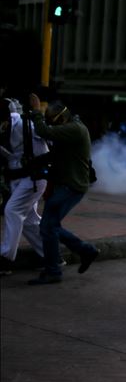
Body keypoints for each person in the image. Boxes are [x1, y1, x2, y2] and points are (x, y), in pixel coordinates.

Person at [25, 94, 99, 285]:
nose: (52, 124)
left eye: (53, 121)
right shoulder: (70, 129)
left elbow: (43, 131)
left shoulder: (75, 129)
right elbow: (55, 156)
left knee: (48, 227)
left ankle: (54, 270)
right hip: (67, 185)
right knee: (51, 226)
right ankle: (85, 252)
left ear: (62, 118)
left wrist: (36, 110)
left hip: (71, 186)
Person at [0, 98, 49, 275]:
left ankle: (5, 259)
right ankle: (50, 256)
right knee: (28, 219)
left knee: (12, 211)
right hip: (20, 178)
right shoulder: (9, 126)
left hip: (33, 178)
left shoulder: (25, 125)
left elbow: (44, 151)